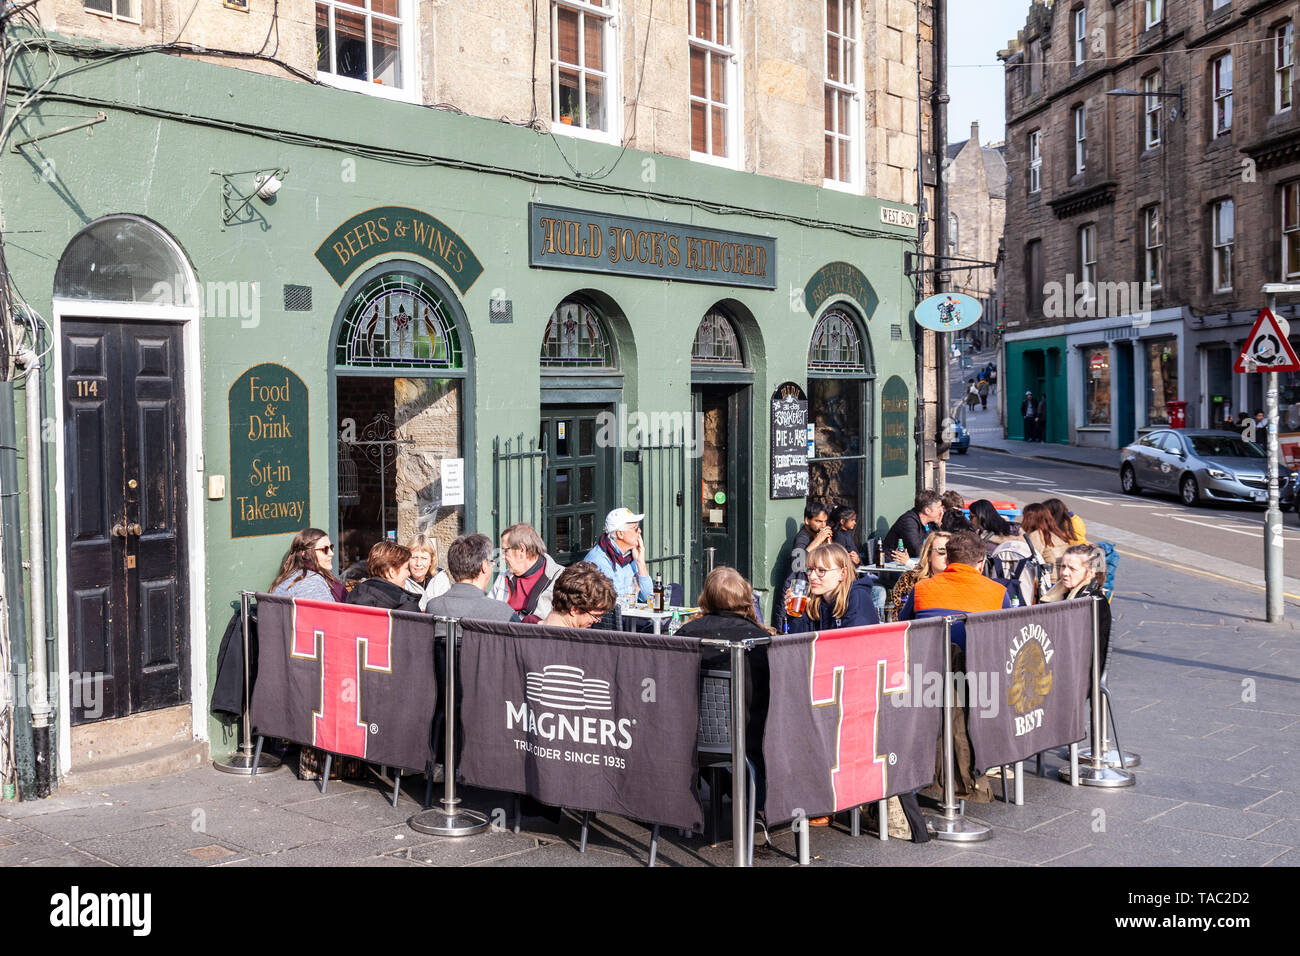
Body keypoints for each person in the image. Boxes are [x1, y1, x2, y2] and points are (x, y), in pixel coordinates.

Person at [899, 531, 1012, 805]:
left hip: (925, 681)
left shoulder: (922, 588)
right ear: (981, 563)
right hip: (982, 684)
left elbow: (903, 625)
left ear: (947, 558)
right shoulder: (998, 593)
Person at [1041, 544, 1112, 694]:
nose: (1065, 573)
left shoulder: (1093, 600)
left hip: (1078, 676)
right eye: (1063, 567)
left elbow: (1082, 651)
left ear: (1090, 573)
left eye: (1072, 569)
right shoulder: (1057, 594)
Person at [785, 543, 880, 633]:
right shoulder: (814, 600)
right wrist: (797, 615)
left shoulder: (857, 598)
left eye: (821, 571)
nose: (812, 576)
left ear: (843, 573)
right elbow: (800, 643)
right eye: (810, 569)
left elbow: (852, 645)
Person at [490, 523, 564, 623]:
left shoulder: (560, 578)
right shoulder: (504, 577)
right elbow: (489, 612)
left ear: (522, 549)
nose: (502, 557)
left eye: (505, 550)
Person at [969, 499, 1034, 602]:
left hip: (994, 585)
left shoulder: (986, 542)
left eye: (971, 517)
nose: (970, 521)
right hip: (1026, 585)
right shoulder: (1017, 531)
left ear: (980, 516)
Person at [584, 507, 652, 604]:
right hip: (613, 616)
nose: (640, 531)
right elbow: (613, 603)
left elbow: (649, 597)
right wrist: (635, 590)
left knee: (675, 589)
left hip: (633, 611)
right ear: (620, 534)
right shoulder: (600, 559)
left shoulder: (630, 554)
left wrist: (641, 563)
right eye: (635, 529)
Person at [887, 531, 949, 621]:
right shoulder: (909, 579)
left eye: (951, 552)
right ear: (928, 555)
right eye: (942, 552)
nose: (947, 557)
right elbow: (897, 617)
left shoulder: (961, 581)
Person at [270, 528, 345, 602]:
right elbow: (328, 613)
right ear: (304, 553)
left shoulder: (295, 575)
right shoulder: (310, 582)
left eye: (331, 547)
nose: (331, 553)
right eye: (325, 549)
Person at [346, 541, 423, 611]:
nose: (408, 574)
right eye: (406, 568)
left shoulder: (353, 596)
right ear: (391, 572)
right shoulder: (406, 606)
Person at [540, 562, 617, 628]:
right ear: (574, 610)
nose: (598, 621)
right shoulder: (573, 643)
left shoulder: (530, 625)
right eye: (595, 616)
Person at [885, 489, 944, 560]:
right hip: (893, 564)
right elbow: (917, 550)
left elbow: (941, 543)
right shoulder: (908, 522)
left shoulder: (930, 522)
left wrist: (938, 524)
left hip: (913, 561)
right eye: (939, 507)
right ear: (927, 511)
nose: (941, 510)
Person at [404, 534, 452, 611]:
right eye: (414, 557)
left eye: (424, 558)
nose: (418, 563)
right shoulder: (401, 580)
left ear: (431, 561)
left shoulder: (440, 579)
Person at [1021, 501, 1072, 570]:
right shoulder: (1056, 532)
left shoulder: (1037, 535)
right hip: (1063, 573)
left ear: (1029, 519)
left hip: (1050, 576)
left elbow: (1030, 557)